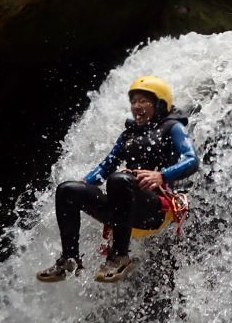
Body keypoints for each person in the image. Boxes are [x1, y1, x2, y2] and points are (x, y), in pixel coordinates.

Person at [37, 75, 198, 284]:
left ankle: (120, 256)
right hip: (123, 210)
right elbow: (105, 167)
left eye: (143, 101)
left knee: (119, 180)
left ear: (159, 104)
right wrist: (85, 182)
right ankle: (70, 258)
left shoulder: (172, 127)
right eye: (133, 101)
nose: (136, 106)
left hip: (155, 210)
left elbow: (192, 160)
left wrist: (161, 175)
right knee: (68, 189)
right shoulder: (128, 135)